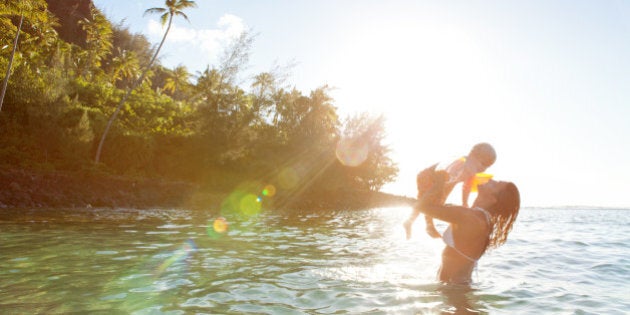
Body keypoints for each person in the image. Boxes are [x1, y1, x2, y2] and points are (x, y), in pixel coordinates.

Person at [415, 174, 521, 284]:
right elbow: (436, 206)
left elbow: (422, 207)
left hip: (453, 291)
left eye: (495, 184)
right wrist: (453, 181)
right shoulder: (482, 219)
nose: (490, 179)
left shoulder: (470, 217)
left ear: (493, 199)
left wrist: (440, 181)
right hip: (458, 290)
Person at [403, 142, 497, 240]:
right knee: (425, 201)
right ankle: (422, 224)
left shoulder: (471, 173)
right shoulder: (461, 162)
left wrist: (465, 203)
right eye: (482, 163)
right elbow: (446, 170)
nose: (483, 169)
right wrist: (442, 185)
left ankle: (420, 224)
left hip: (446, 184)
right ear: (471, 156)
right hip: (429, 176)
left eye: (487, 167)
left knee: (437, 203)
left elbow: (466, 188)